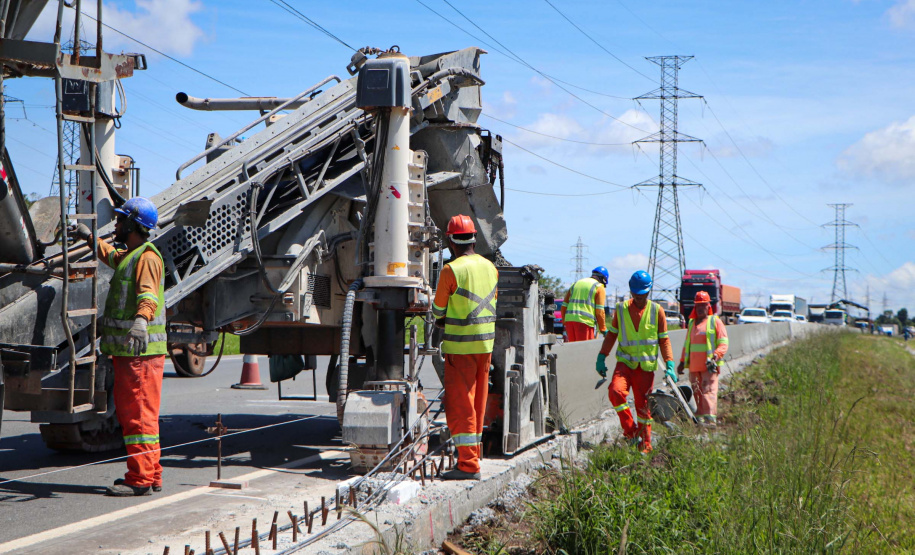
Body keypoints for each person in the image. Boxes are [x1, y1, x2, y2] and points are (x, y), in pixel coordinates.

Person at [75, 197, 166, 496]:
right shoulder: (131, 255)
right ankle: (151, 474)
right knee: (142, 415)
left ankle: (139, 478)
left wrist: (141, 320)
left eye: (120, 220)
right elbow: (112, 256)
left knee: (138, 416)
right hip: (133, 354)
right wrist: (90, 239)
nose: (116, 224)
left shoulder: (147, 258)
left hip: (140, 353)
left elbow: (148, 296)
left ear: (134, 225)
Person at [431, 214, 498, 480]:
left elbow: (438, 310)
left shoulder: (452, 270)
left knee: (461, 405)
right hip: (485, 345)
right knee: (478, 403)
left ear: (450, 240)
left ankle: (468, 466)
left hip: (460, 348)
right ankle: (473, 456)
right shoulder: (490, 267)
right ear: (474, 238)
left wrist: (440, 318)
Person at [595, 270, 674, 453]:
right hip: (625, 364)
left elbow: (664, 339)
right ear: (631, 292)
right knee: (615, 392)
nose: (640, 298)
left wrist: (669, 363)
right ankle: (631, 433)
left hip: (645, 369)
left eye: (643, 294)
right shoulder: (621, 309)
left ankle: (645, 446)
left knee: (643, 408)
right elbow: (612, 335)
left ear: (648, 291)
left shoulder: (657, 311)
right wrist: (602, 356)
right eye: (636, 295)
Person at [677, 291, 729, 427]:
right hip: (694, 367)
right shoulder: (692, 323)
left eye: (703, 305)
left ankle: (710, 421)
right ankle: (700, 421)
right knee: (697, 392)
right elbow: (687, 344)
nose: (700, 308)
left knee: (708, 391)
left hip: (709, 366)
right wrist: (682, 362)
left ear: (708, 306)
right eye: (698, 305)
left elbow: (723, 343)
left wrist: (716, 355)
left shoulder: (715, 322)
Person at [561, 266, 609, 341]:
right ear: (603, 279)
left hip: (569, 322)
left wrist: (565, 321)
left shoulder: (576, 284)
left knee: (573, 350)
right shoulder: (599, 287)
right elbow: (600, 311)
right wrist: (603, 329)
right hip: (585, 322)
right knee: (585, 350)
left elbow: (564, 306)